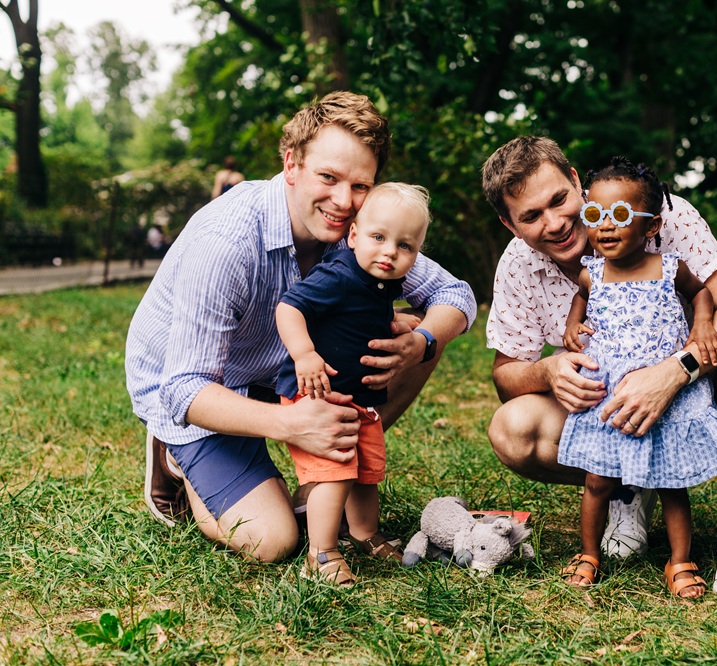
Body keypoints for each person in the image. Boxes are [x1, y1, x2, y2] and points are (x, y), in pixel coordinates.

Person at [125, 91, 476, 565]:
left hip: (288, 375)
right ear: (291, 164)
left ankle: (327, 467)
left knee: (414, 329)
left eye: (360, 186)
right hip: (206, 391)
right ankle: (173, 458)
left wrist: (421, 341)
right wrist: (289, 424)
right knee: (273, 540)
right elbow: (184, 389)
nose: (343, 201)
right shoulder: (226, 241)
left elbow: (457, 296)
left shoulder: (361, 234)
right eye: (328, 177)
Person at [481, 136, 717, 600]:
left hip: (695, 389)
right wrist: (547, 372)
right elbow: (506, 374)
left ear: (575, 182)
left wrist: (675, 370)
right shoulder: (518, 265)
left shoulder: (657, 213)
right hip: (611, 409)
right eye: (531, 216)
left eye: (560, 200)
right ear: (510, 225)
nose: (556, 223)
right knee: (512, 427)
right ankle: (628, 489)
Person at [555, 157, 717, 597]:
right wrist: (573, 326)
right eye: (595, 214)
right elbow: (579, 298)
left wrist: (703, 325)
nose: (605, 225)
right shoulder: (593, 271)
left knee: (671, 482)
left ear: (651, 226)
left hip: (667, 393)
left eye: (620, 215)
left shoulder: (668, 266)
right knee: (596, 481)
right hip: (611, 391)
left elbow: (701, 293)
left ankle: (680, 561)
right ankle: (589, 552)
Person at [275, 182, 431, 585]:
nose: (390, 252)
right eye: (378, 238)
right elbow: (290, 308)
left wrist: (397, 323)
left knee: (366, 470)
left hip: (360, 400)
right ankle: (322, 552)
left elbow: (361, 317)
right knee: (337, 470)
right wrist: (304, 354)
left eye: (405, 246)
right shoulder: (339, 274)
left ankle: (364, 532)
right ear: (354, 235)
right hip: (317, 395)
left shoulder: (381, 284)